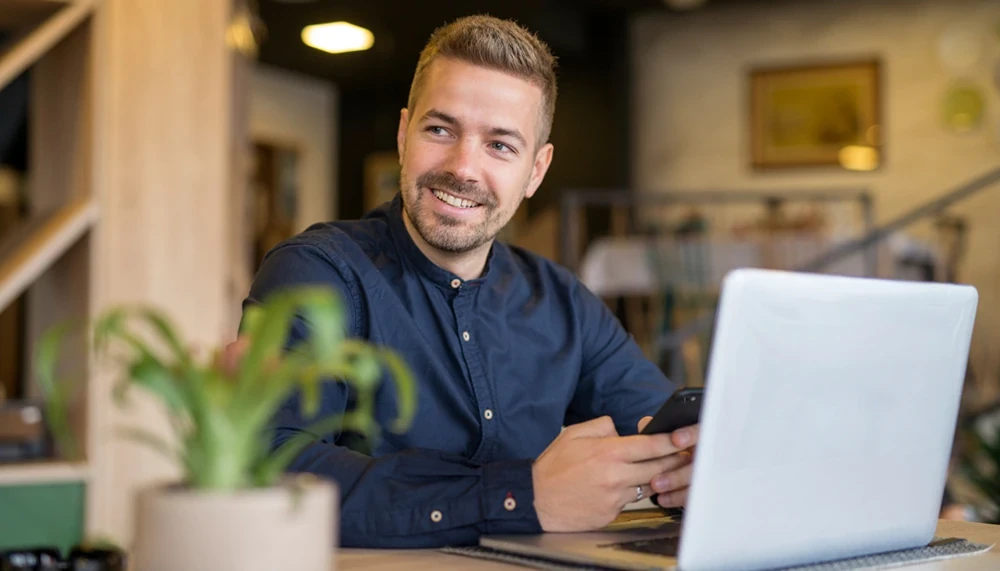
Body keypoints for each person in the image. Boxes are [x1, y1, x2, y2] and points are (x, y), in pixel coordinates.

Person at [239, 14, 697, 548]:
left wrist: (683, 468)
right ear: (404, 132)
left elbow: (662, 427)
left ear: (536, 171)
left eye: (500, 145)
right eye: (440, 129)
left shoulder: (563, 301)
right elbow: (275, 465)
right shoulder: (317, 273)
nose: (463, 167)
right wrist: (517, 495)